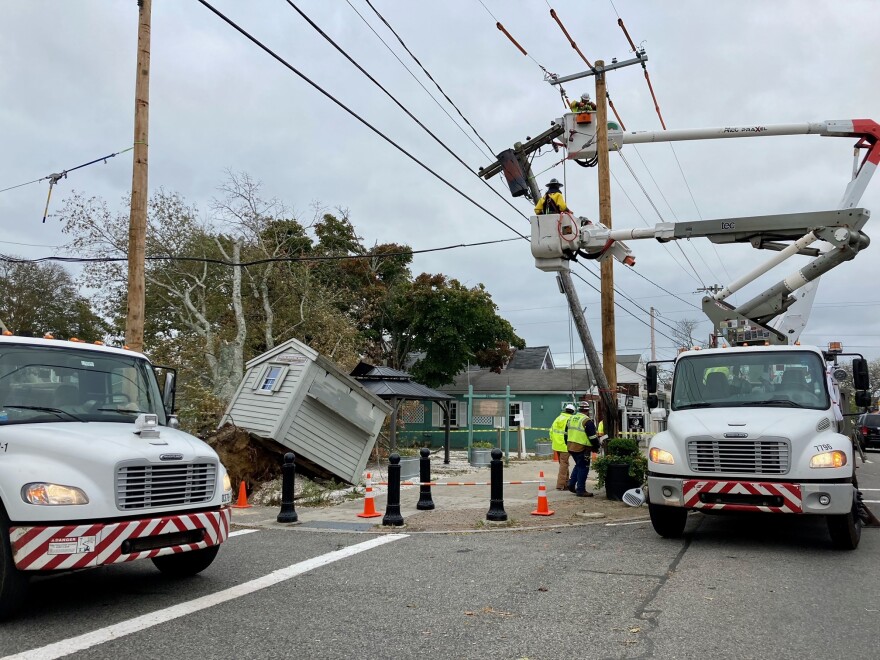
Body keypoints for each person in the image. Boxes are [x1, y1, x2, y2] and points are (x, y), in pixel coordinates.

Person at [566, 401, 600, 497]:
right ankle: (581, 490)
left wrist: (567, 444)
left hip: (571, 446)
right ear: (587, 410)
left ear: (579, 409)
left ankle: (571, 484)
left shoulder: (571, 418)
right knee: (583, 468)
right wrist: (597, 446)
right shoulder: (586, 421)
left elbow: (566, 433)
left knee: (579, 465)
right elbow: (592, 437)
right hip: (582, 448)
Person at [549, 403, 575, 490]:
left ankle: (566, 483)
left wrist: (554, 441)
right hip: (565, 446)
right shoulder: (571, 419)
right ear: (573, 412)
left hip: (557, 445)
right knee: (564, 465)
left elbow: (551, 431)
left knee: (564, 464)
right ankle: (560, 485)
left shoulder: (558, 418)